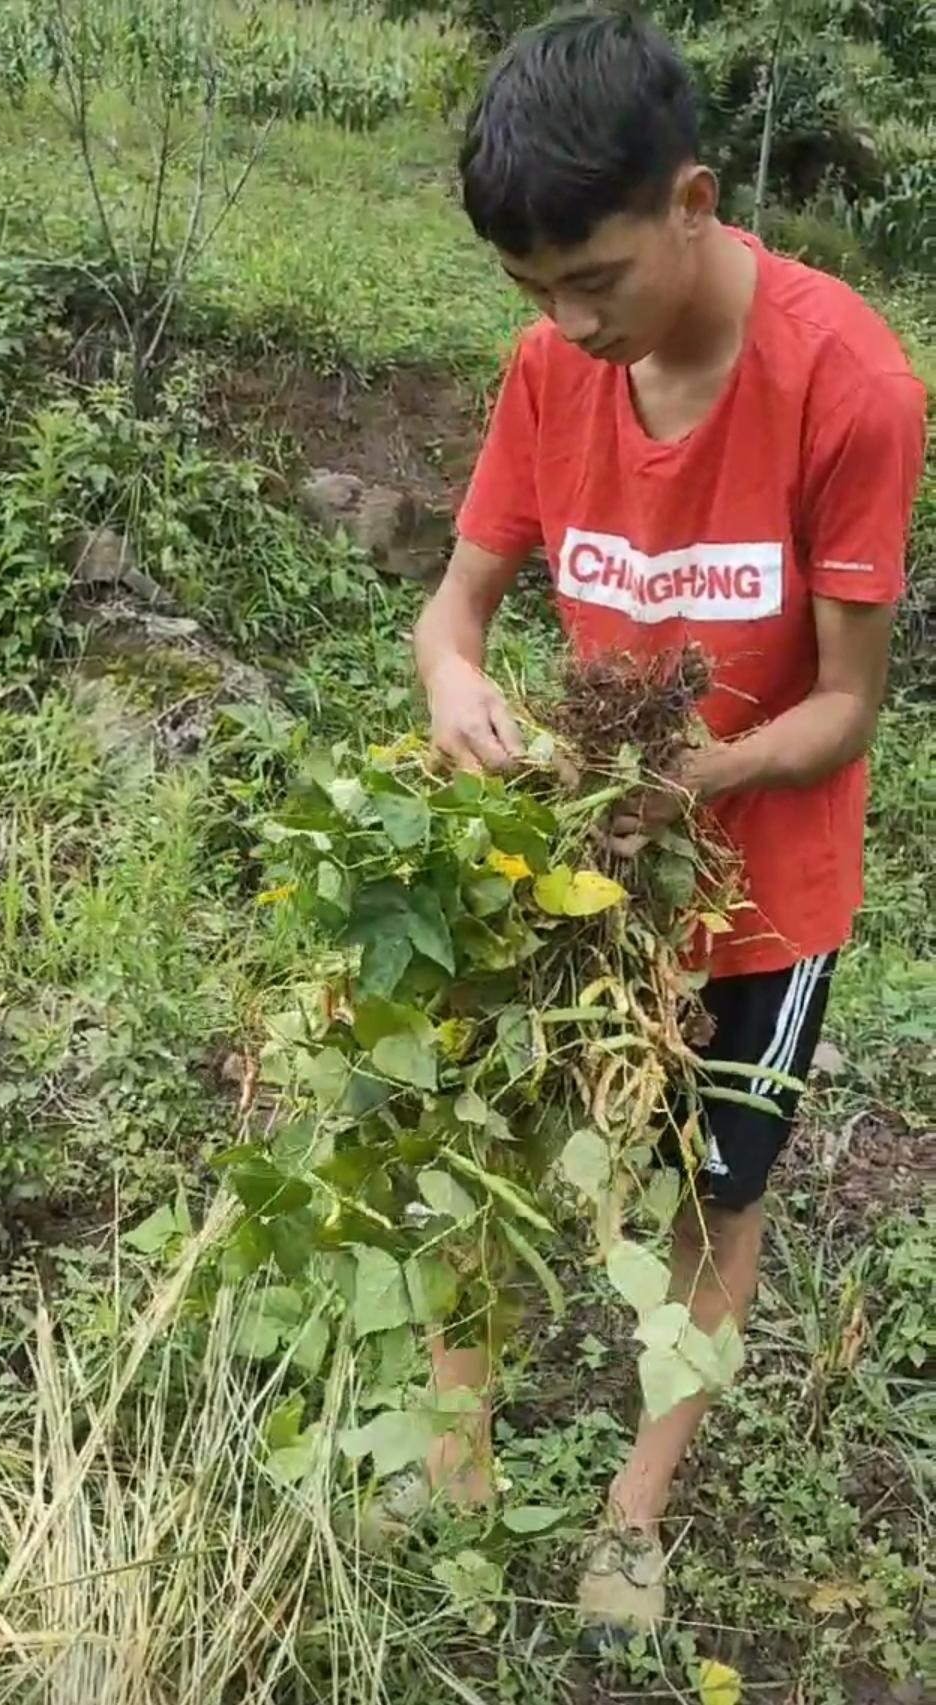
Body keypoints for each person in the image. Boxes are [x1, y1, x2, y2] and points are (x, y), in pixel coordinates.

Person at [413, 2, 926, 1636]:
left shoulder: (849, 384)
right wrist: (452, 686)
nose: (568, 327)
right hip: (565, 868)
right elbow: (456, 611)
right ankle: (455, 1474)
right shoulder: (549, 371)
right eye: (534, 294)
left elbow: (848, 707)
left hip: (759, 890)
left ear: (692, 205)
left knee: (718, 1189)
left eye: (596, 283)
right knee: (479, 1149)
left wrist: (684, 780)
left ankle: (633, 1518)